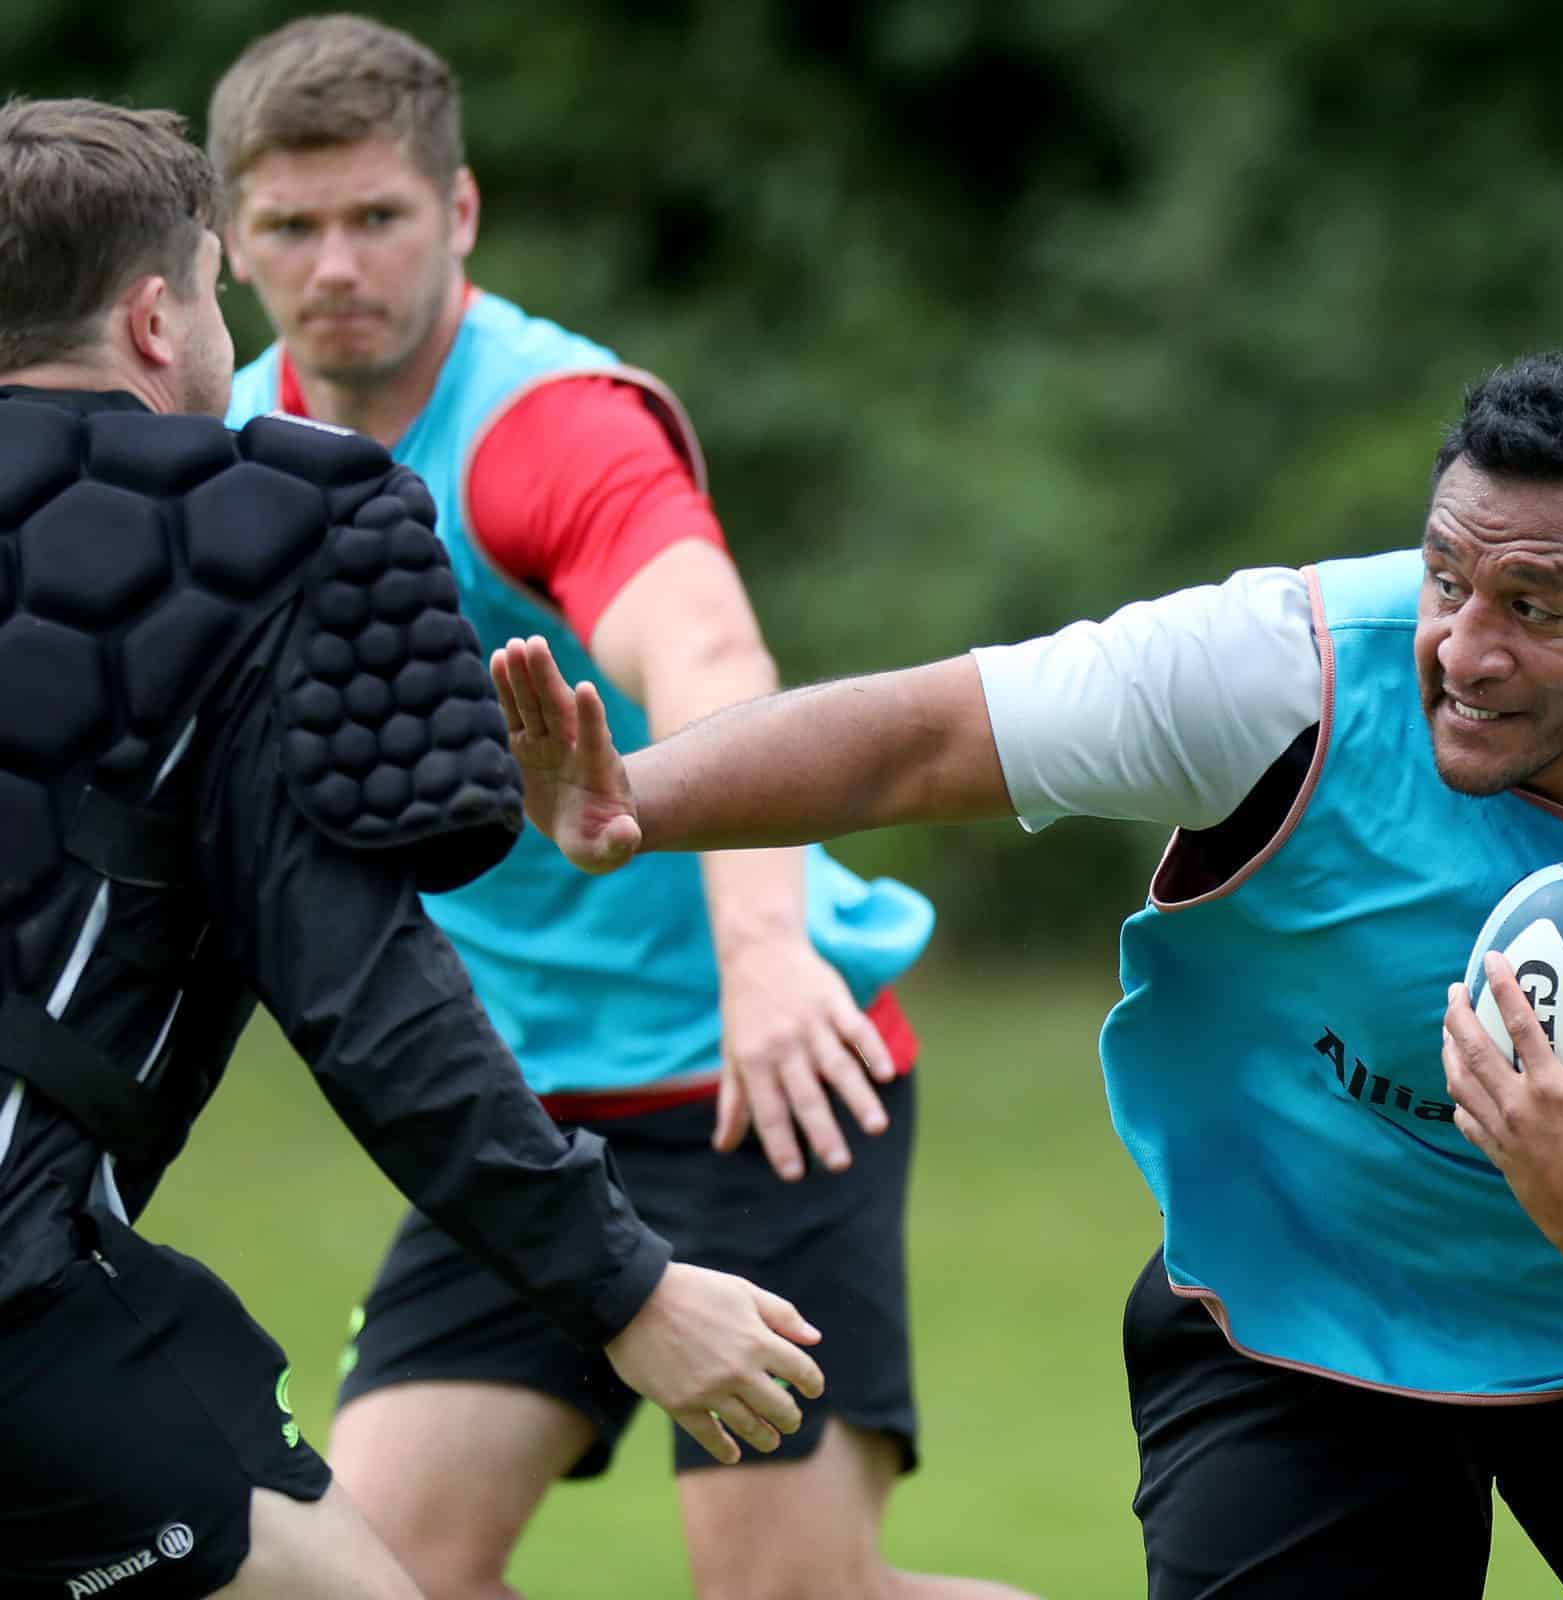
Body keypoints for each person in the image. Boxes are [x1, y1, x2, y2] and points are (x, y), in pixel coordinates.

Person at [494, 351, 1563, 1600]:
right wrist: (641, 798)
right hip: (1295, 1310)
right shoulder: (1286, 673)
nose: (1464, 648)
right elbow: (924, 739)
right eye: (1444, 578)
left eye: (1536, 607)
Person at [209, 17, 1032, 1600]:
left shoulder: (548, 427)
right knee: (388, 1576)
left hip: (761, 1066)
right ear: (233, 243)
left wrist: (766, 955)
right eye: (291, 228)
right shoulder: (237, 456)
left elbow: (711, 655)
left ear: (458, 215)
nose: (334, 267)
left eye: (375, 218)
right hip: (519, 1108)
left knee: (790, 1597)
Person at [0, 95, 824, 1600]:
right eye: (227, 279)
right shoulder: (264, 527)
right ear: (152, 310)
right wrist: (625, 1291)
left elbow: (692, 631)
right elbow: (362, 997)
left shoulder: (545, 414)